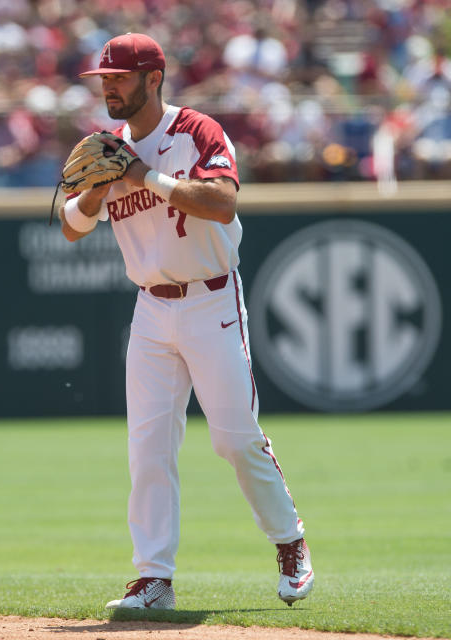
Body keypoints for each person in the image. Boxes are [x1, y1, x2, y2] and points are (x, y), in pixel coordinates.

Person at [59, 33, 313, 609]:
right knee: (148, 449)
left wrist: (143, 175)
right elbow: (72, 227)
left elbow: (222, 202)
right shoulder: (108, 145)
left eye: (119, 77)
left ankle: (290, 541)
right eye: (104, 78)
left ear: (154, 78)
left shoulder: (196, 130)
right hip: (150, 308)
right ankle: (154, 578)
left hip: (211, 300)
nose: (108, 87)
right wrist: (99, 190)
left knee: (234, 439)